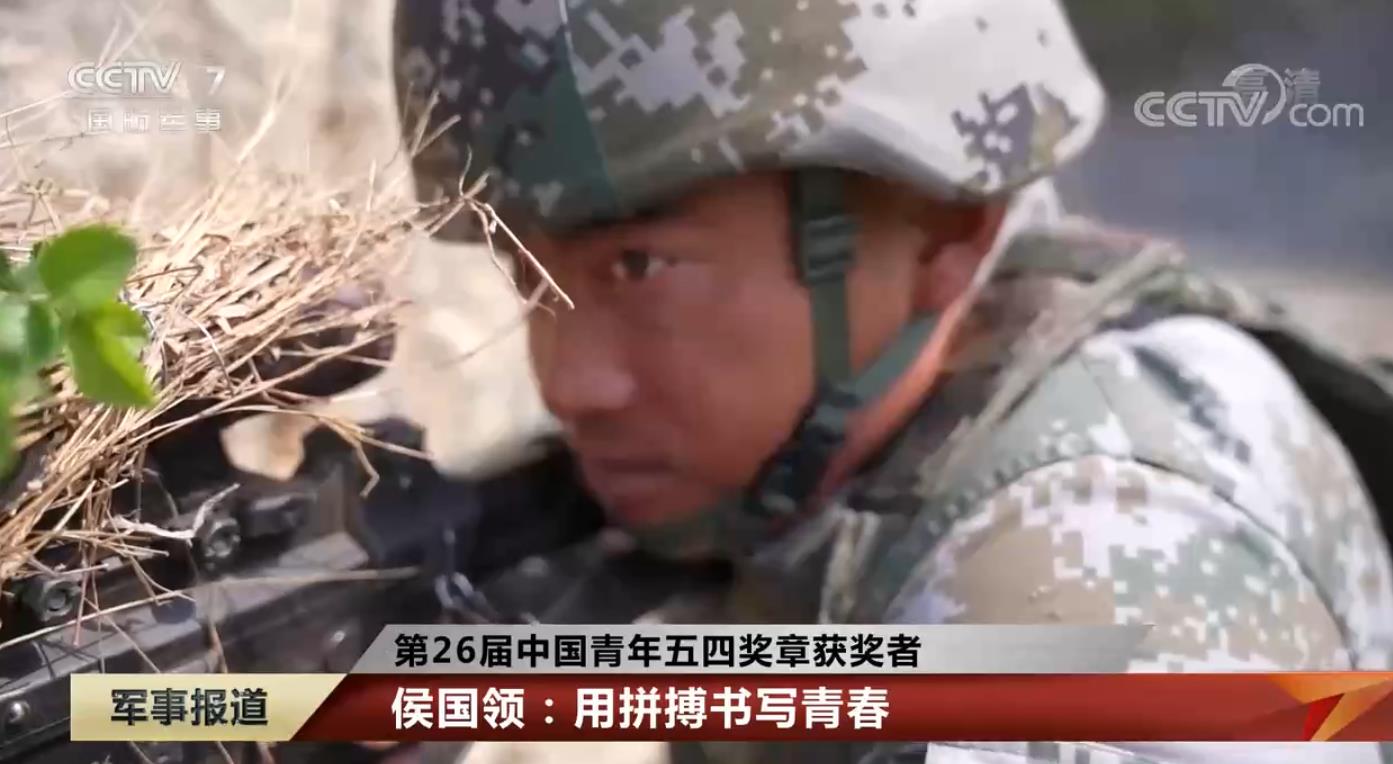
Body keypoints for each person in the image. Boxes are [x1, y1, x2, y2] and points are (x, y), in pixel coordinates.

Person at [391, 1, 1393, 761]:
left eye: (639, 267)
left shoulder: (1093, 572)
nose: (570, 382)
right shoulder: (802, 451)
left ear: (940, 231)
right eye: (525, 272)